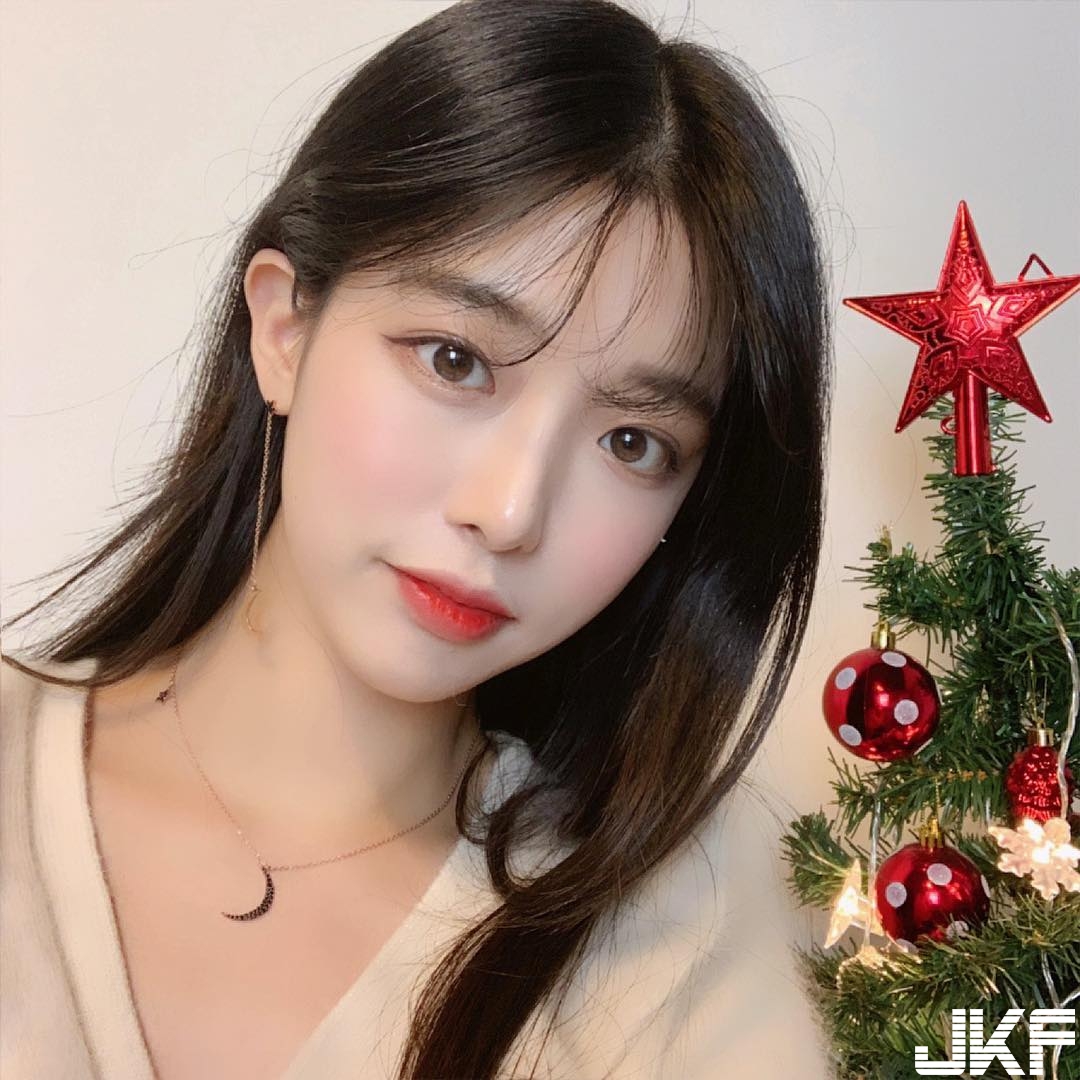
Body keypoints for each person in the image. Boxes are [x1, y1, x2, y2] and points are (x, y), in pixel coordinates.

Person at [0, 0, 835, 1076]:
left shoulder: (680, 938)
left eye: (632, 442)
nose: (510, 510)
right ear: (285, 328)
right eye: (455, 361)